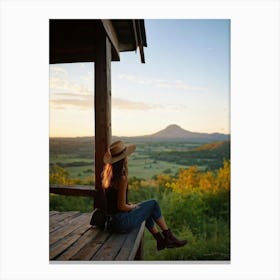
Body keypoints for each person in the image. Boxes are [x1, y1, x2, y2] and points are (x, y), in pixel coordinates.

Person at [102, 140, 187, 251]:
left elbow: (115, 203)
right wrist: (133, 207)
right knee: (153, 204)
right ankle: (168, 237)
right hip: (121, 223)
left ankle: (160, 240)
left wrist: (131, 206)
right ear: (123, 158)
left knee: (146, 210)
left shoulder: (107, 175)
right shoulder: (121, 178)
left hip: (112, 222)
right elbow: (121, 207)